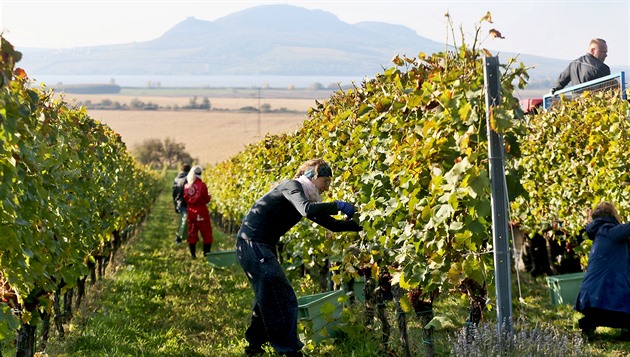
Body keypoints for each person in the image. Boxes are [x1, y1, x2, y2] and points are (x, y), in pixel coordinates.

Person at [236, 158, 362, 356]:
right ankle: (290, 350)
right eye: (326, 181)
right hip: (252, 244)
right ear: (312, 175)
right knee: (282, 295)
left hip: (259, 246)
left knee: (267, 294)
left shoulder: (306, 197)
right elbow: (306, 209)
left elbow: (334, 225)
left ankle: (254, 346)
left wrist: (362, 224)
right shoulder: (292, 187)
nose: (327, 188)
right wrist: (338, 205)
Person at [575, 201, 630, 340]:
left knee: (600, 313)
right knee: (620, 309)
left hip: (590, 294)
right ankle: (625, 330)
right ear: (612, 215)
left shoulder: (600, 232)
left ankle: (588, 325)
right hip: (601, 292)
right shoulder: (609, 230)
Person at [183, 165, 214, 258]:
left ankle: (193, 255)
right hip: (201, 211)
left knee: (192, 232)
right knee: (206, 233)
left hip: (191, 211)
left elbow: (185, 198)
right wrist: (209, 196)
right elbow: (206, 199)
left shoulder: (187, 186)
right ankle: (206, 254)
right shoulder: (202, 185)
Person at [172, 163, 191, 244]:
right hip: (185, 203)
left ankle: (185, 238)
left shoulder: (176, 179)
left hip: (179, 202)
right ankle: (178, 239)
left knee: (184, 220)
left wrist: (175, 203)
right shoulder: (188, 179)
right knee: (185, 221)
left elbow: (174, 192)